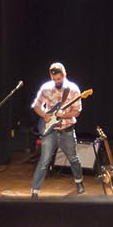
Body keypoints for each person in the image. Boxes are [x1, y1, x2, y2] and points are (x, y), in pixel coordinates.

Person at [29, 62, 87, 198]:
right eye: (54, 79)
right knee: (44, 161)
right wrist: (44, 115)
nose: (56, 82)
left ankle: (79, 182)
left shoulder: (73, 89)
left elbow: (77, 111)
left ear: (64, 75)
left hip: (67, 129)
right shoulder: (46, 88)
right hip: (50, 131)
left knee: (73, 158)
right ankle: (35, 192)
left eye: (59, 79)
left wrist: (64, 115)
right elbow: (36, 105)